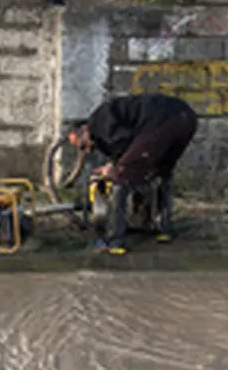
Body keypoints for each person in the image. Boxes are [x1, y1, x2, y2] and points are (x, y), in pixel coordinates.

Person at [67, 93, 199, 254]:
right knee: (160, 172)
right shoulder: (109, 121)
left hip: (162, 121)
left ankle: (115, 240)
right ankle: (163, 228)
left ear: (84, 129)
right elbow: (133, 148)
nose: (87, 150)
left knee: (121, 178)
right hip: (186, 118)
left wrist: (114, 169)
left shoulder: (99, 122)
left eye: (82, 145)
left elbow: (125, 144)